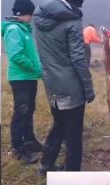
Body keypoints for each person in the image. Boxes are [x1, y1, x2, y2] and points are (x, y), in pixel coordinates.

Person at [34, 0, 95, 174]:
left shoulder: (39, 15)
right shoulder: (72, 21)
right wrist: (88, 87)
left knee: (59, 125)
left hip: (51, 83)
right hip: (71, 86)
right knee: (74, 134)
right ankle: (72, 172)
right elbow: (78, 58)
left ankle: (45, 164)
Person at [1, 0, 43, 165]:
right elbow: (16, 55)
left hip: (29, 77)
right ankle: (17, 148)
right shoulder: (14, 30)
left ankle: (30, 140)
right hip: (20, 78)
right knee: (21, 112)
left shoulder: (24, 29)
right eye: (30, 14)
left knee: (29, 110)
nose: (32, 17)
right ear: (24, 13)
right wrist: (34, 68)